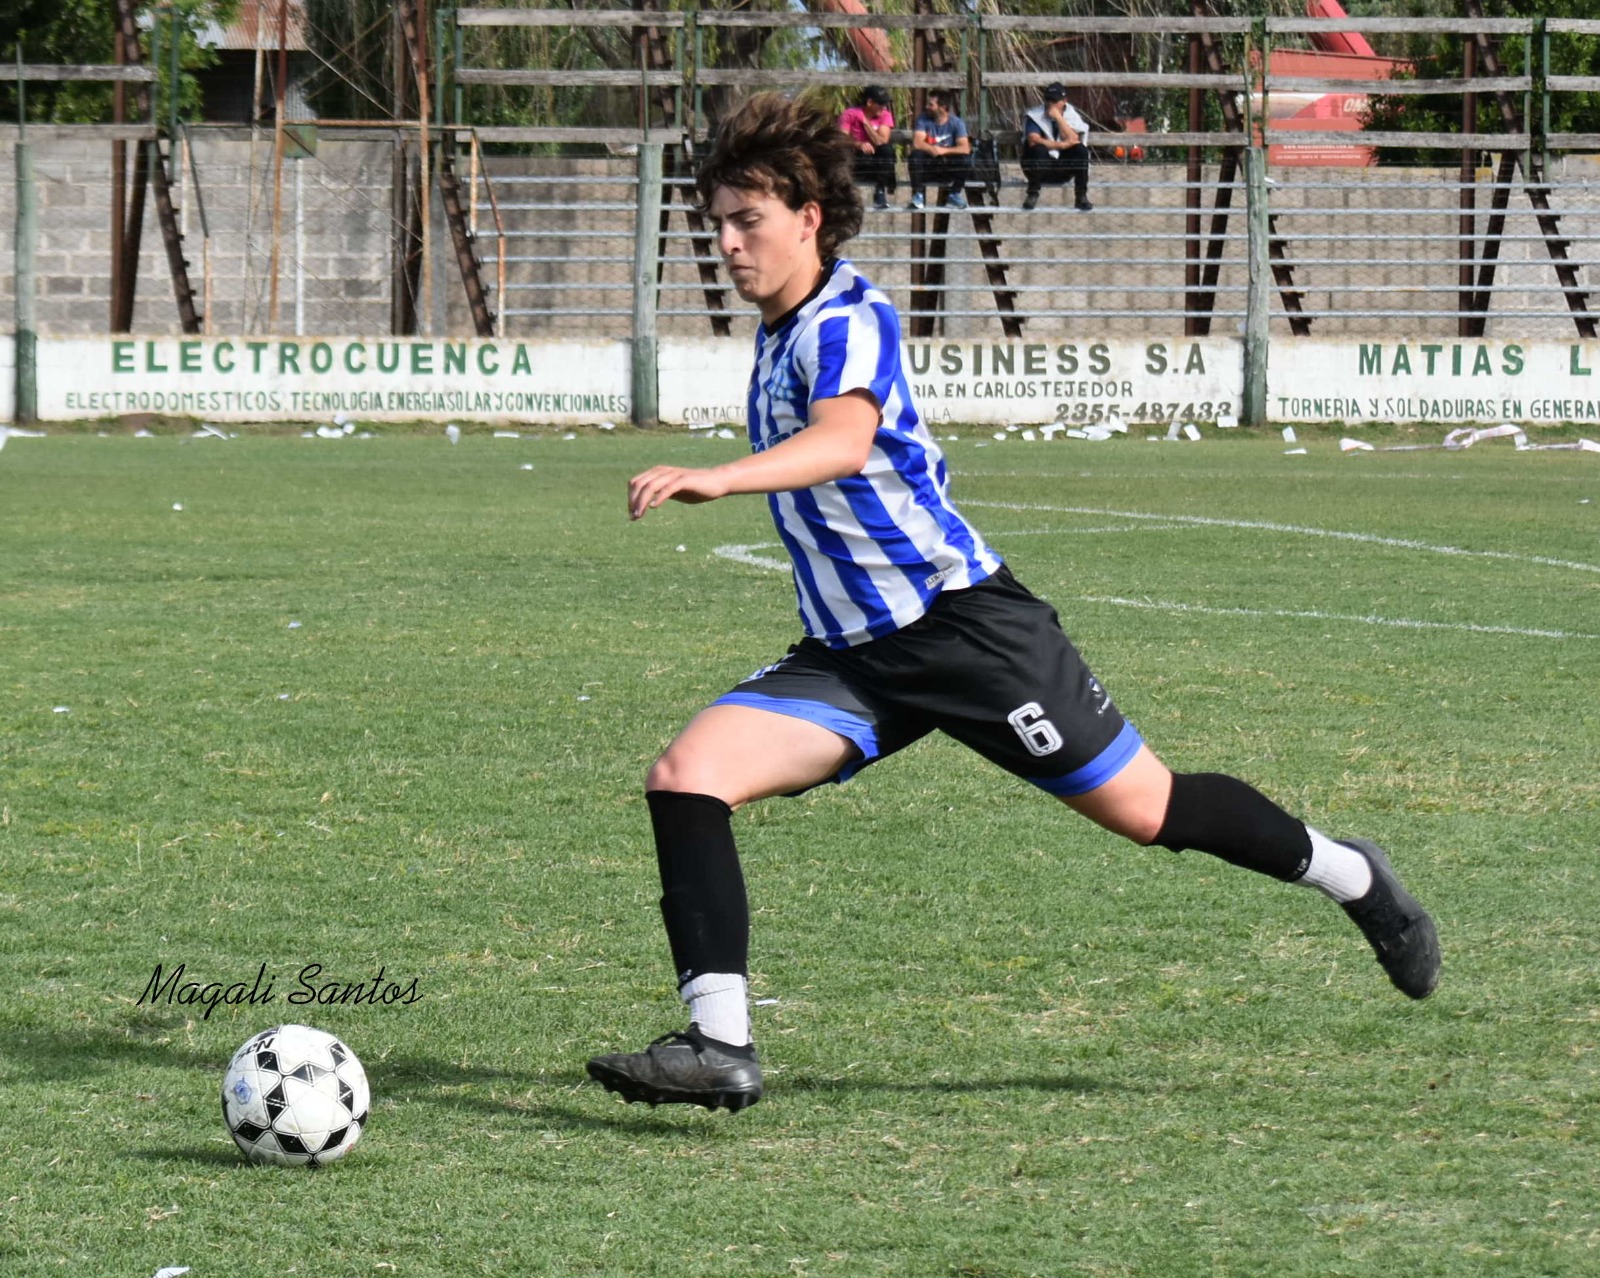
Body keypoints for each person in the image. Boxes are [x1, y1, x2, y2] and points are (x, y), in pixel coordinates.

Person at [586, 92, 1439, 1115]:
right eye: (718, 223)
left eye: (747, 221)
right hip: (856, 655)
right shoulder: (778, 333)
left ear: (808, 218)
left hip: (965, 632)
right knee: (687, 778)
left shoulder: (847, 317)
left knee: (1149, 810)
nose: (727, 243)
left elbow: (843, 443)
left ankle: (1352, 876)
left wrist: (719, 476)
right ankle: (720, 1046)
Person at [1022, 81, 1093, 211]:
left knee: (1081, 151)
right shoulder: (1035, 115)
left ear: (1064, 101)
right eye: (1048, 100)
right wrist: (1061, 145)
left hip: (1062, 168)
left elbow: (1074, 139)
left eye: (1054, 101)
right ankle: (1032, 194)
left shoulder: (1071, 116)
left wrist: (1059, 118)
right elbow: (1033, 139)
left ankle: (1081, 196)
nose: (1050, 104)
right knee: (1038, 149)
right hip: (1039, 168)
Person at [907, 88, 973, 211]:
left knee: (965, 159)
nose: (927, 107)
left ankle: (954, 193)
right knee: (916, 156)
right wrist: (932, 149)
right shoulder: (923, 119)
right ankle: (918, 194)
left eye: (931, 104)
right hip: (929, 166)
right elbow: (917, 143)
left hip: (947, 167)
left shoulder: (957, 123)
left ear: (942, 107)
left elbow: (965, 148)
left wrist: (944, 151)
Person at [837, 85, 896, 211]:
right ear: (870, 102)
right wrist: (859, 144)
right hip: (856, 158)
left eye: (885, 104)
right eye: (881, 104)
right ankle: (843, 194)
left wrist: (865, 122)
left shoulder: (885, 115)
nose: (884, 107)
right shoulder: (849, 114)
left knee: (886, 149)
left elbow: (881, 141)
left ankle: (880, 191)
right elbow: (841, 139)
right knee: (842, 152)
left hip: (876, 161)